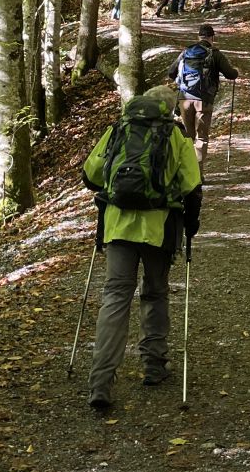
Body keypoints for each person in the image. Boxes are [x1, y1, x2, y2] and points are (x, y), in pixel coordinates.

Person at [81, 84, 202, 412]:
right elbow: (192, 186)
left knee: (115, 296)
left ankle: (100, 381)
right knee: (155, 292)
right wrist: (191, 225)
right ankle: (153, 365)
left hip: (118, 225)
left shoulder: (118, 130)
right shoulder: (175, 136)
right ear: (169, 109)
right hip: (158, 227)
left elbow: (90, 175)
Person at [167, 24, 239, 174]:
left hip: (184, 99)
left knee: (187, 136)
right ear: (213, 38)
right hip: (204, 100)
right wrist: (235, 72)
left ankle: (183, 171)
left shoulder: (186, 52)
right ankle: (197, 174)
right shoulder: (215, 54)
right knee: (201, 138)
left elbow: (171, 72)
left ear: (198, 37)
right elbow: (230, 74)